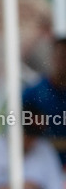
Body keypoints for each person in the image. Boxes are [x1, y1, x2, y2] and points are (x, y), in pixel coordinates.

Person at [23, 37, 66, 165]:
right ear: (53, 58)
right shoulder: (33, 94)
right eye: (62, 57)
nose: (64, 63)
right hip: (40, 166)